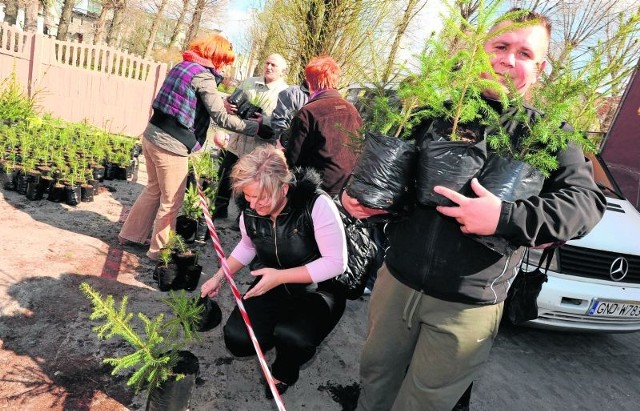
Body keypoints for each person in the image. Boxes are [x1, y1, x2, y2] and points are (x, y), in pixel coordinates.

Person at [341, 10, 607, 411]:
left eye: (524, 53)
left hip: (467, 307)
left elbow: (586, 204)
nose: (508, 60)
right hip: (396, 283)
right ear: (481, 49)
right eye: (501, 46)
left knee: (425, 404)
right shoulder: (431, 110)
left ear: (540, 68)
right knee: (374, 381)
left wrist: (504, 217)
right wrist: (358, 197)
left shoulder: (547, 134)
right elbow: (383, 170)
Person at [200, 145, 348, 398]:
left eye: (262, 197)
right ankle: (272, 333)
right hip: (271, 283)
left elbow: (336, 262)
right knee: (238, 338)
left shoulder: (316, 204)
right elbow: (248, 245)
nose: (255, 205)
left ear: (284, 188)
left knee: (294, 337)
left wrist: (280, 276)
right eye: (248, 197)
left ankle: (284, 370)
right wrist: (219, 277)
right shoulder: (250, 209)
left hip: (318, 289)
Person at [118, 34, 272, 260]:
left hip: (152, 134)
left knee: (153, 188)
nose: (224, 65)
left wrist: (220, 102)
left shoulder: (183, 66)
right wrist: (256, 128)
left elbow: (193, 97)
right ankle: (159, 251)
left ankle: (130, 235)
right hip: (171, 145)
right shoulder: (204, 77)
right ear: (215, 56)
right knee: (171, 201)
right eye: (223, 60)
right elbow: (221, 118)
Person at [213, 54, 289, 220]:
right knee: (225, 175)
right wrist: (228, 104)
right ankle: (219, 209)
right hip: (237, 142)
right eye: (267, 63)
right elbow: (231, 100)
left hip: (258, 149)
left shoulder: (285, 92)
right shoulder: (249, 82)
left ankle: (244, 218)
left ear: (283, 71)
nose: (268, 67)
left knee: (251, 183)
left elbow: (284, 121)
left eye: (273, 65)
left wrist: (265, 120)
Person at [284, 56, 363, 197]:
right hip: (345, 186)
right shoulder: (352, 110)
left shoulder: (308, 112)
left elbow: (293, 160)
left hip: (316, 189)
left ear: (309, 82)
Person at [271, 80, 310, 146]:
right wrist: (280, 142)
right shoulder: (292, 93)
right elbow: (279, 121)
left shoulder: (327, 98)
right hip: (289, 145)